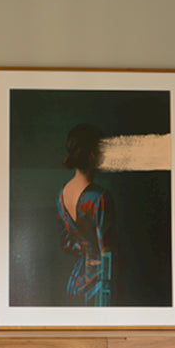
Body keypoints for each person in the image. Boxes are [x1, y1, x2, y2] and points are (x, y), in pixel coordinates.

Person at [57, 123, 116, 306]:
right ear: (92, 155)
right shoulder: (100, 197)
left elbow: (66, 243)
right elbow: (106, 252)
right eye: (102, 150)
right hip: (99, 285)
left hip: (76, 281)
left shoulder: (61, 193)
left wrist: (85, 248)